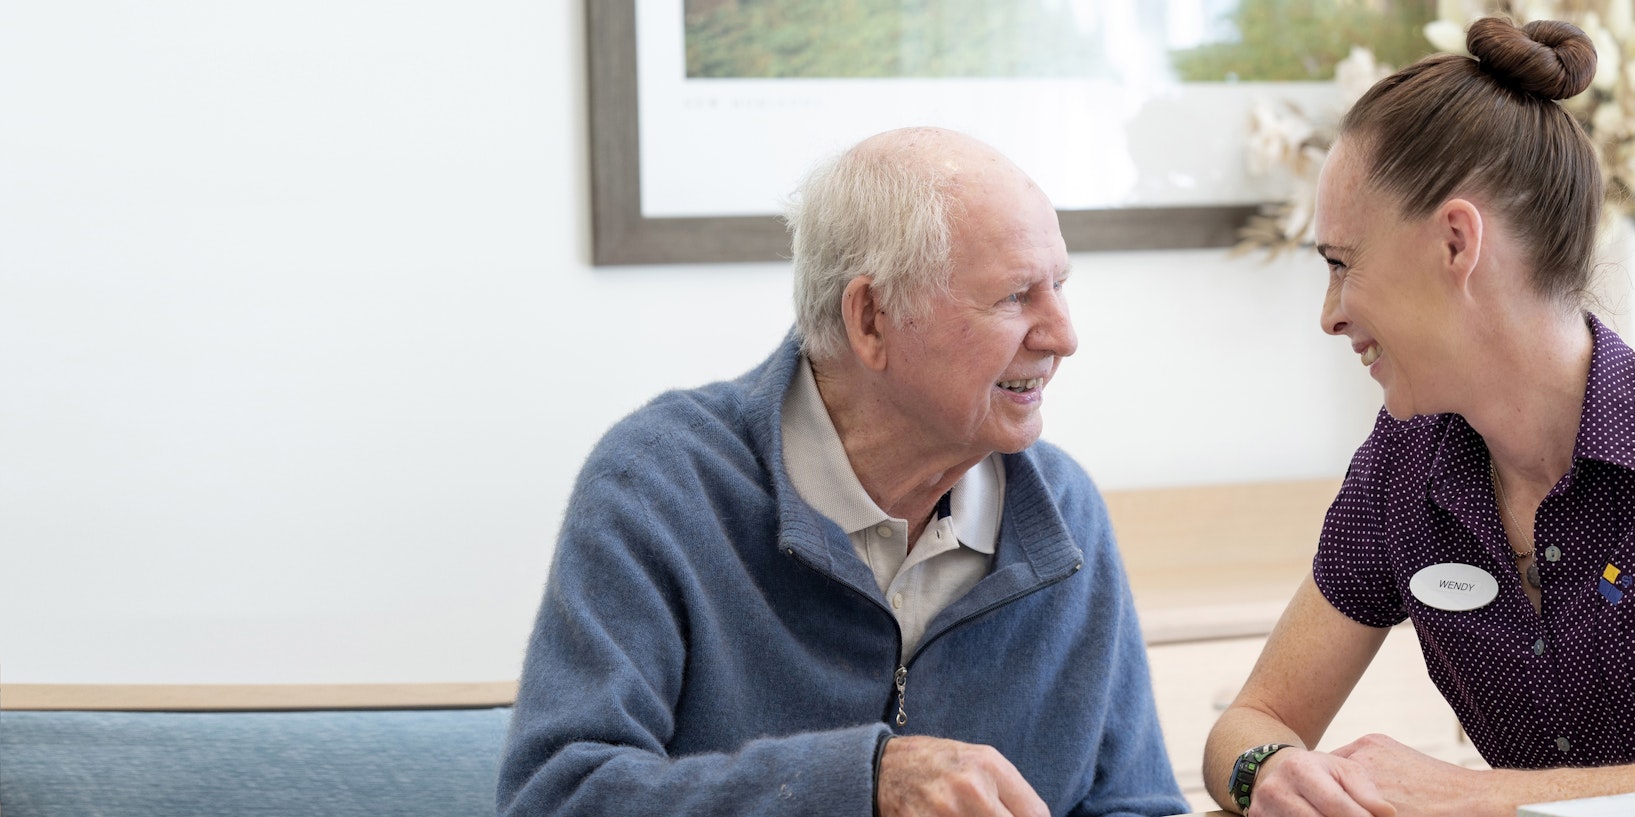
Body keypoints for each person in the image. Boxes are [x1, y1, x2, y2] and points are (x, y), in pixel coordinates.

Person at [1204, 17, 1635, 817]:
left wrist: (1475, 796)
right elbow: (1250, 722)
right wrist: (1271, 768)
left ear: (1457, 241)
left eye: (1341, 264)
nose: (1329, 315)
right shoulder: (1403, 468)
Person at [497, 127, 1186, 817]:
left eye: (1060, 285)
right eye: (1014, 296)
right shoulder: (658, 487)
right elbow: (557, 796)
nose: (1063, 335)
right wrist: (864, 781)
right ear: (871, 318)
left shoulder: (1064, 514)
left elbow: (1136, 803)